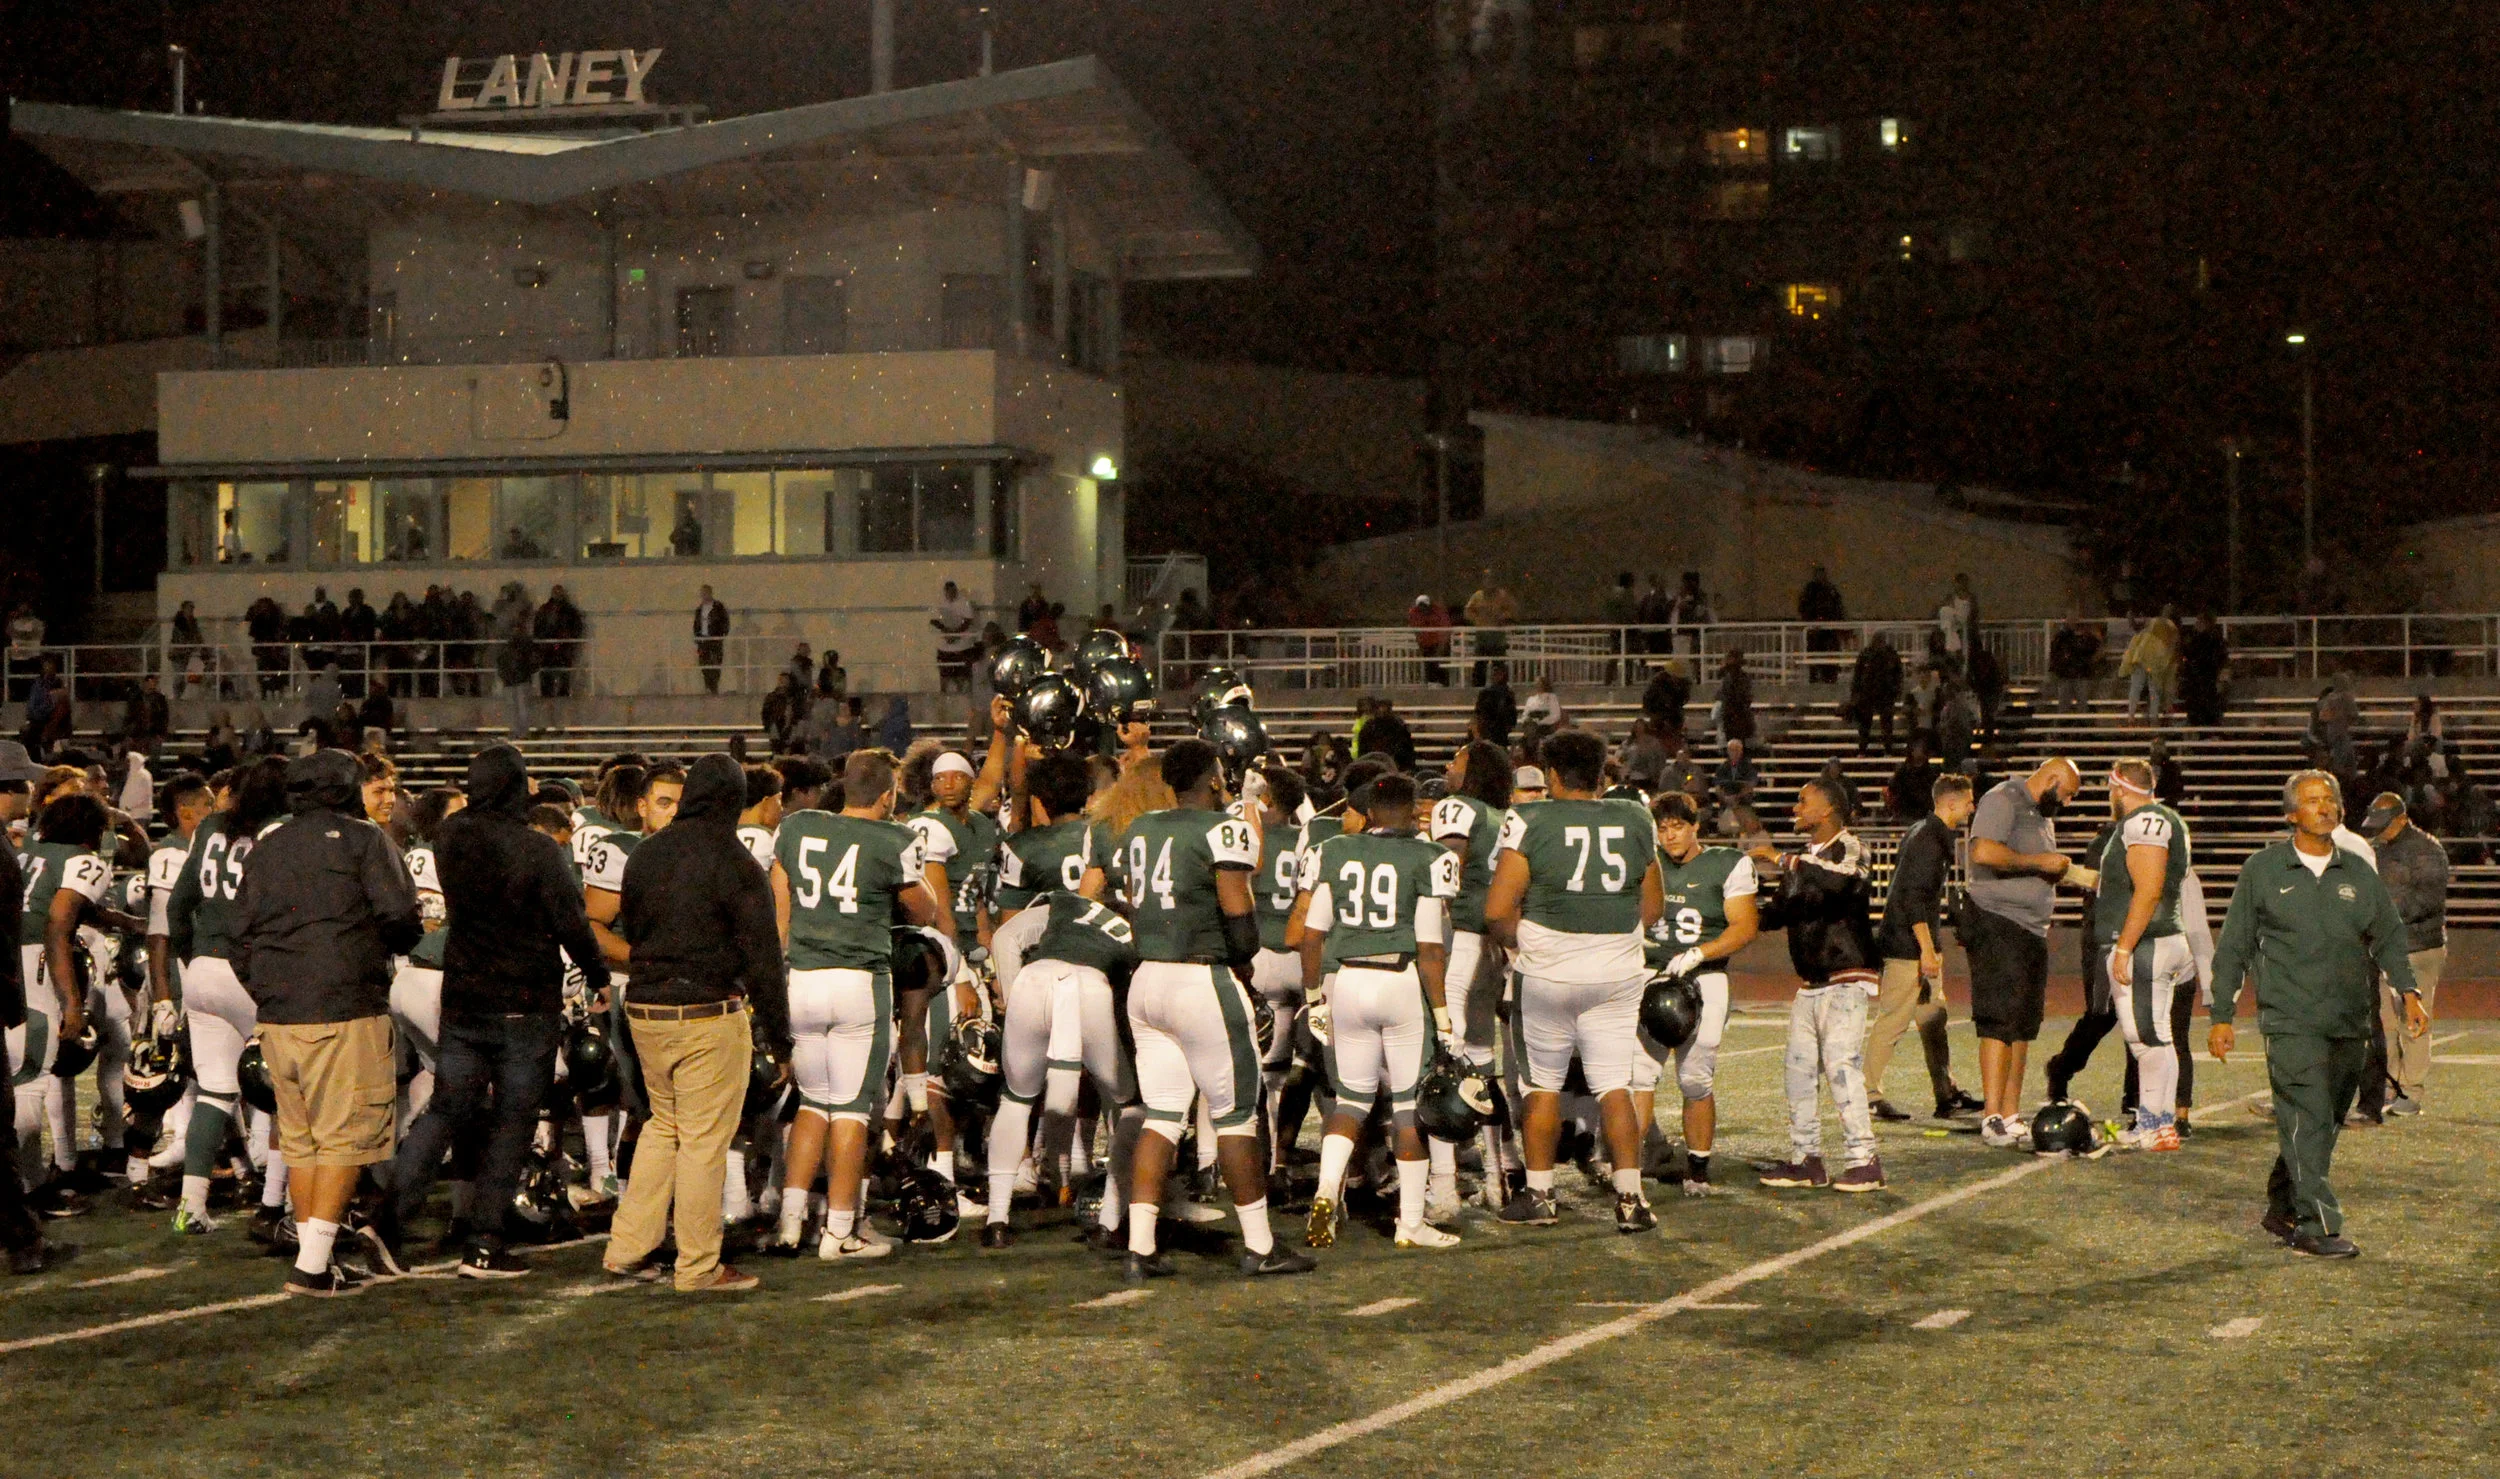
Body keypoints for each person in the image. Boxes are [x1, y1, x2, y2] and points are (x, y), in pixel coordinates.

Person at [378, 745, 609, 1279]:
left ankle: (385, 1223)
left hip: (465, 995)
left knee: (445, 1110)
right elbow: (570, 922)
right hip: (523, 999)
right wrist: (597, 975)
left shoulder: (450, 837)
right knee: (511, 1122)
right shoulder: (535, 848)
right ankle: (484, 1243)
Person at [1089, 739, 1314, 1281]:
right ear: (1213, 779)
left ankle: (1141, 1246)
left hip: (1147, 980)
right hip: (1201, 978)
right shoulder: (1222, 829)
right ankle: (1260, 1245)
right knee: (1236, 1116)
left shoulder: (1140, 828)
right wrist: (1244, 960)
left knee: (1163, 1114)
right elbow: (1239, 920)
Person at [229, 749, 423, 1295]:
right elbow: (399, 917)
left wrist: (270, 990)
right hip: (343, 1006)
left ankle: (317, 1257)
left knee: (303, 1143)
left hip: (279, 1015)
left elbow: (237, 934)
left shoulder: (268, 845)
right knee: (342, 1139)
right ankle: (312, 1266)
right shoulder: (363, 839)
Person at [2209, 771, 2426, 1257]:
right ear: (2292, 814)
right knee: (2307, 1115)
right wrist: (2222, 1014)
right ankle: (2315, 1225)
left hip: (2349, 1018)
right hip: (2291, 1019)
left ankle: (2283, 1201)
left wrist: (2408, 991)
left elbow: (2388, 935)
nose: (2324, 806)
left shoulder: (2357, 870)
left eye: (2330, 799)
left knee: (2323, 1120)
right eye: (2312, 800)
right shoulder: (2263, 870)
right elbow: (2234, 946)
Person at [605, 754, 791, 1292]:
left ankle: (627, 1248)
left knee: (664, 1127)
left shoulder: (645, 853)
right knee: (704, 1141)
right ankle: (698, 1265)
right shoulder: (734, 861)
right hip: (705, 1012)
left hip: (645, 1009)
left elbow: (636, 927)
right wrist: (780, 1040)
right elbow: (763, 958)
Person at [764, 748, 941, 1260]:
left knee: (812, 1104)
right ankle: (840, 1232)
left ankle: (790, 1224)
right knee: (851, 1110)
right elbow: (924, 912)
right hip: (858, 983)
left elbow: (781, 909)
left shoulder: (796, 826)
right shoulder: (895, 838)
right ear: (888, 795)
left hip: (802, 979)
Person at [1483, 729, 1661, 1234]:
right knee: (1614, 1085)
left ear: (1553, 775)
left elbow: (1496, 909)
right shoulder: (1635, 816)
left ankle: (1541, 1195)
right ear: (1602, 774)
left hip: (1549, 971)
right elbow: (1652, 906)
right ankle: (1631, 1199)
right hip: (1617, 970)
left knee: (1541, 1086)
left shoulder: (1530, 817)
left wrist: (1523, 941)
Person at [1296, 774, 1462, 1252]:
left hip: (1348, 982)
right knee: (1409, 1106)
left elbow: (1312, 936)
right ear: (1414, 811)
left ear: (1368, 812)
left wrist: (1314, 997)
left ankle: (1327, 1191)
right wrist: (1443, 1018)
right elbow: (1430, 948)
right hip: (1400, 980)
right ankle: (1411, 1223)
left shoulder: (1333, 850)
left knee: (1350, 1100)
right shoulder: (1430, 857)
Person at [1753, 776, 1887, 1190]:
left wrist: (1784, 860)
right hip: (1811, 983)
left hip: (1847, 975)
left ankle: (1865, 1160)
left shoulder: (1850, 846)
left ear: (1827, 809)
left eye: (1802, 801)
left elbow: (1842, 882)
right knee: (1798, 1071)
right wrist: (1732, 905)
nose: (1795, 808)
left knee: (1842, 1066)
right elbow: (1776, 914)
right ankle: (1806, 1159)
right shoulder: (1803, 861)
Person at [1639, 791, 1759, 1195]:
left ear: (1695, 827)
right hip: (1649, 971)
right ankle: (1627, 1168)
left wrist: (1699, 953)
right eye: (1662, 828)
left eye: (1677, 827)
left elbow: (1744, 926)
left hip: (1704, 974)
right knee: (1639, 1075)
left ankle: (1698, 1167)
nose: (1670, 835)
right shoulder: (1647, 861)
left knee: (1695, 1078)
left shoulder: (1727, 862)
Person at [1965, 756, 2084, 1147]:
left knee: (2022, 1024)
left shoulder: (2040, 814)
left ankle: (2011, 1114)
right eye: (2066, 794)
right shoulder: (2003, 798)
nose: (2066, 803)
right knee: (1999, 1020)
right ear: (2051, 779)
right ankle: (1992, 1116)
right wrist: (2038, 862)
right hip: (1999, 920)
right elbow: (1983, 852)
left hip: (2031, 927)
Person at [2093, 758, 2200, 1150]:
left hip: (2147, 942)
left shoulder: (2144, 820)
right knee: (2158, 1038)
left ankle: (2153, 1126)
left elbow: (2150, 888)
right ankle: (2160, 1123)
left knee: (2146, 1040)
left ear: (2120, 787)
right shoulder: (2167, 819)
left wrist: (2124, 945)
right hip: (2161, 939)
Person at [1868, 774, 1983, 1122]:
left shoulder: (1924, 832)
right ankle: (1867, 1094)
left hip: (1915, 942)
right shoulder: (1929, 839)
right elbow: (1913, 897)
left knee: (1934, 1018)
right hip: (1908, 946)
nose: (1972, 807)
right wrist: (1927, 950)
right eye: (1968, 801)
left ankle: (1946, 1093)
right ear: (1951, 802)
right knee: (1893, 1020)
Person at [2359, 792, 2446, 1117]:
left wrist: (2383, 915)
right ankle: (2391, 1085)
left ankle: (2411, 1091)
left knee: (2413, 1021)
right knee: (2383, 1021)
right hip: (2382, 948)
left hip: (2418, 947)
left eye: (2384, 825)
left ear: (2401, 818)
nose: (2378, 831)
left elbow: (2428, 901)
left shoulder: (2427, 850)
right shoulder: (2378, 849)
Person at [2121, 605, 2180, 725]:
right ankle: (2151, 716)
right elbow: (2173, 646)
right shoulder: (2168, 626)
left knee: (2139, 687)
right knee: (2152, 689)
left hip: (2144, 657)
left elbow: (2138, 629)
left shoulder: (2160, 624)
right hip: (2153, 660)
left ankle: (2133, 715)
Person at [1847, 630, 1903, 754]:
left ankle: (1888, 749)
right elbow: (1857, 676)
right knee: (1865, 724)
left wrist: (1896, 690)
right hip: (1867, 694)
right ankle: (1862, 750)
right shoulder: (1866, 654)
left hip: (1886, 694)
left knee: (1887, 724)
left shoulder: (1891, 654)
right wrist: (1855, 694)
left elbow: (1898, 674)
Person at [1463, 569, 1517, 686]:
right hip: (1482, 636)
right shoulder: (1477, 596)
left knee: (1499, 665)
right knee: (1480, 665)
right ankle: (1478, 689)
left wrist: (1503, 617)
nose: (1489, 582)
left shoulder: (1502, 595)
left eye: (1491, 579)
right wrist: (1477, 619)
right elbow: (1467, 611)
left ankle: (1501, 688)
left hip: (1497, 637)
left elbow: (1512, 610)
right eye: (1487, 579)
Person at [2177, 613, 2229, 725]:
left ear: (2206, 623)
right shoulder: (2211, 640)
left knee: (2203, 710)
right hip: (2199, 681)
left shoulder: (2206, 640)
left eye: (2199, 622)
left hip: (2204, 680)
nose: (2196, 624)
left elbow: (2221, 659)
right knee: (2200, 710)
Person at [533, 584, 584, 697]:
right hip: (548, 649)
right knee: (547, 674)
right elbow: (537, 629)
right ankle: (547, 696)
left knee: (564, 675)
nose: (557, 595)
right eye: (556, 592)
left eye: (559, 592)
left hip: (563, 648)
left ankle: (562, 696)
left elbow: (577, 628)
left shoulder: (569, 611)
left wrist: (569, 638)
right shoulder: (545, 610)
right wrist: (542, 643)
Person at [1798, 565, 1846, 684]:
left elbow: (1838, 608)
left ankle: (1829, 678)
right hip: (1817, 631)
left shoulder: (1830, 590)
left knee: (1829, 659)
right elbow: (1804, 608)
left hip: (1828, 631)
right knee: (1816, 659)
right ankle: (1818, 678)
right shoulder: (1812, 591)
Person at [931, 581, 979, 693]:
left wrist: (955, 635)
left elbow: (967, 621)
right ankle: (943, 694)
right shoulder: (939, 602)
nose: (951, 594)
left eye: (953, 592)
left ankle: (964, 694)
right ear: (945, 592)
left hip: (962, 646)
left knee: (962, 675)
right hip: (944, 646)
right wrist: (946, 631)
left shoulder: (964, 603)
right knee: (944, 674)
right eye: (949, 592)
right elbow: (933, 620)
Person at [2047, 614, 2101, 711]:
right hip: (2066, 673)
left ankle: (2081, 718)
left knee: (2082, 703)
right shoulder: (2062, 637)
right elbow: (2055, 651)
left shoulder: (2086, 637)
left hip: (2081, 673)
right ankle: (2064, 719)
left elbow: (2095, 649)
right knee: (2064, 703)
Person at [1363, 696, 1418, 774]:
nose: (1382, 710)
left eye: (1384, 707)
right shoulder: (1369, 727)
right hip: (1375, 765)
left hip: (1396, 764)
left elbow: (1407, 749)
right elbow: (1364, 748)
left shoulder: (1398, 726)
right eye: (1379, 707)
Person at [692, 586, 730, 695]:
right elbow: (696, 625)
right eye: (702, 593)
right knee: (704, 664)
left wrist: (721, 636)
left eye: (705, 593)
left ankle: (714, 688)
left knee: (715, 664)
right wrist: (697, 637)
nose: (703, 596)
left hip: (715, 640)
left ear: (710, 593)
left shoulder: (718, 607)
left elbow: (725, 622)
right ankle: (708, 687)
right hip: (703, 641)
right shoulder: (699, 609)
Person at [1409, 594, 1454, 686]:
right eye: (1420, 606)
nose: (1423, 609)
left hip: (1440, 643)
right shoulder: (1414, 613)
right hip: (1426, 644)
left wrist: (1441, 647)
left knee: (1441, 666)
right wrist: (1420, 644)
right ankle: (1431, 684)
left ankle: (1444, 685)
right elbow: (1416, 630)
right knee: (1429, 666)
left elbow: (1446, 629)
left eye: (1424, 606)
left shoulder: (1438, 612)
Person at [122, 674, 171, 755]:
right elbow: (130, 715)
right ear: (145, 683)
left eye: (154, 682)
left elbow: (164, 717)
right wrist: (130, 733)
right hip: (138, 732)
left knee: (154, 753)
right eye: (150, 682)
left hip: (154, 732)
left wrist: (161, 733)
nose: (152, 684)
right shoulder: (136, 697)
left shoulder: (160, 698)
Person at [1474, 663, 1519, 750]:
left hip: (1501, 731)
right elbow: (1478, 713)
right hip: (1486, 730)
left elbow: (1512, 715)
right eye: (1495, 674)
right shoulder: (1485, 693)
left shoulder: (1508, 694)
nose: (1496, 676)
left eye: (1499, 674)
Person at [1715, 648, 1754, 749]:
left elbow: (1745, 698)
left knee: (1738, 744)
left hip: (1738, 716)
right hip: (1731, 717)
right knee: (1733, 744)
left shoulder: (1742, 678)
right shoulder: (1728, 677)